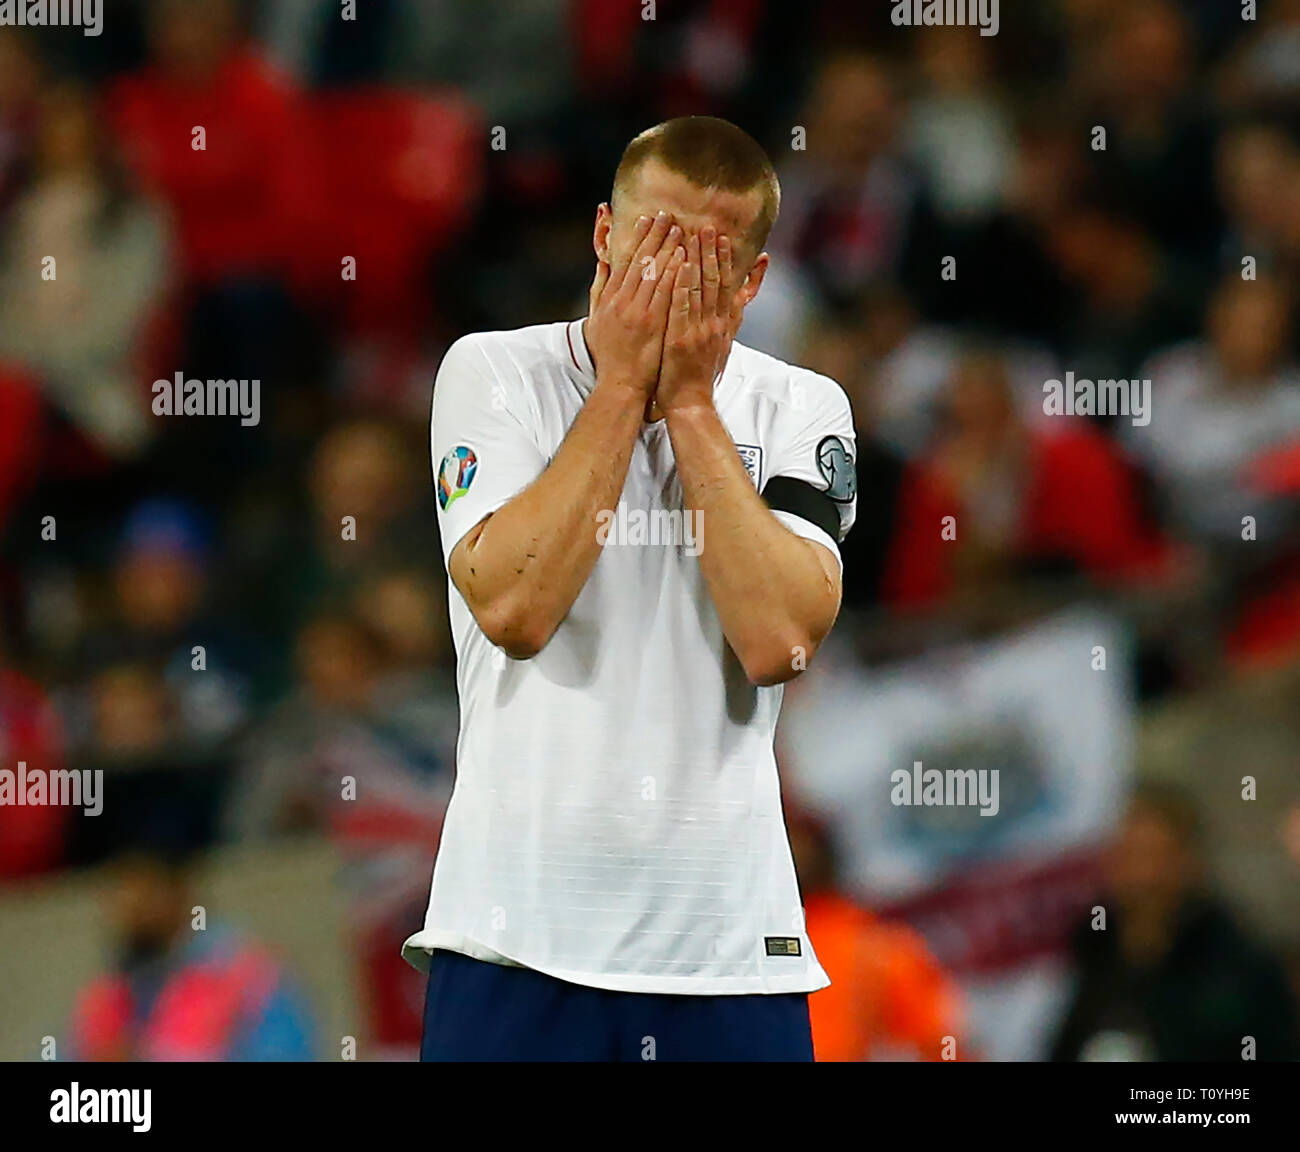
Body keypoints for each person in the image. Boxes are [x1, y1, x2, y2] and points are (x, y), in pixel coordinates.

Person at [404, 116, 857, 1061]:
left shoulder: (801, 406)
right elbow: (516, 608)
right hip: (513, 939)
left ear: (753, 282)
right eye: (654, 245)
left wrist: (688, 404)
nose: (669, 281)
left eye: (705, 261)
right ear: (605, 235)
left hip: (730, 954)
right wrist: (619, 393)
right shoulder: (493, 373)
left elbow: (780, 641)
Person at [1050, 781, 1300, 1062]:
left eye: (1157, 856)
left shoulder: (1242, 970)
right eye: (1130, 855)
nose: (1143, 876)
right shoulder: (1085, 958)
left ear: (1190, 863)